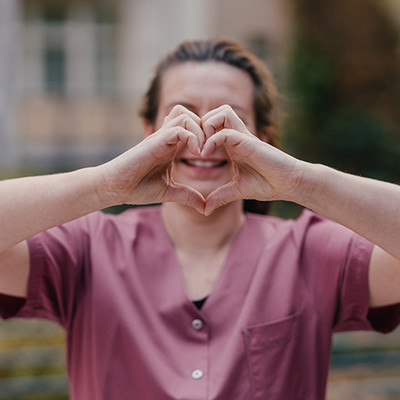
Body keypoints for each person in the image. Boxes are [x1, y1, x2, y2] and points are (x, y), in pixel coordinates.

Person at [1, 38, 400, 400]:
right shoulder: (86, 247)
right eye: (183, 117)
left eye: (229, 120)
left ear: (262, 140)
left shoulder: (311, 252)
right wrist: (106, 185)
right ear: (149, 132)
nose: (205, 138)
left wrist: (301, 182)